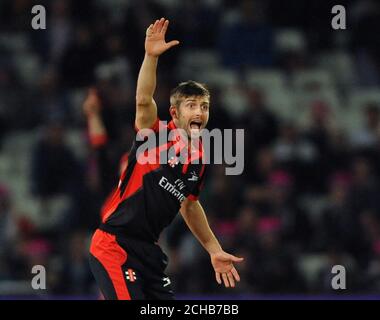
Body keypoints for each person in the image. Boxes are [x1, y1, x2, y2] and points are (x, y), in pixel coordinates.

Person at [88, 18, 243, 300]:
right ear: (174, 114)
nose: (200, 112)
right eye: (192, 106)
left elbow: (190, 206)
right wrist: (150, 57)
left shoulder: (198, 159)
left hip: (149, 252)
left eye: (204, 107)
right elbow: (143, 99)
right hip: (115, 245)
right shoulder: (153, 132)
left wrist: (213, 248)